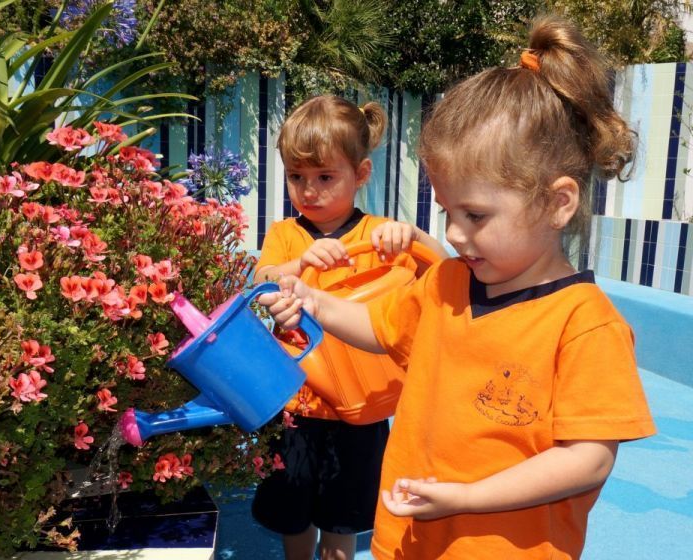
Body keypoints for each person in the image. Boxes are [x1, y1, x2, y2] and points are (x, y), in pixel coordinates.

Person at [257, 17, 656, 560]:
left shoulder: (585, 324)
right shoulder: (447, 282)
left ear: (558, 202)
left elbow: (588, 458)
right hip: (410, 541)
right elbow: (377, 327)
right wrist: (313, 301)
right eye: (448, 212)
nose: (454, 234)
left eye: (476, 215)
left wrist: (467, 498)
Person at [250, 94, 448, 560]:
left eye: (324, 177)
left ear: (360, 174)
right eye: (296, 177)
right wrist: (299, 263)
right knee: (293, 514)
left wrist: (415, 237)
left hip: (363, 410)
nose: (309, 190)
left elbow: (445, 277)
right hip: (295, 405)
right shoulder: (285, 235)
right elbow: (260, 281)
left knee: (343, 520)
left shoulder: (381, 237)